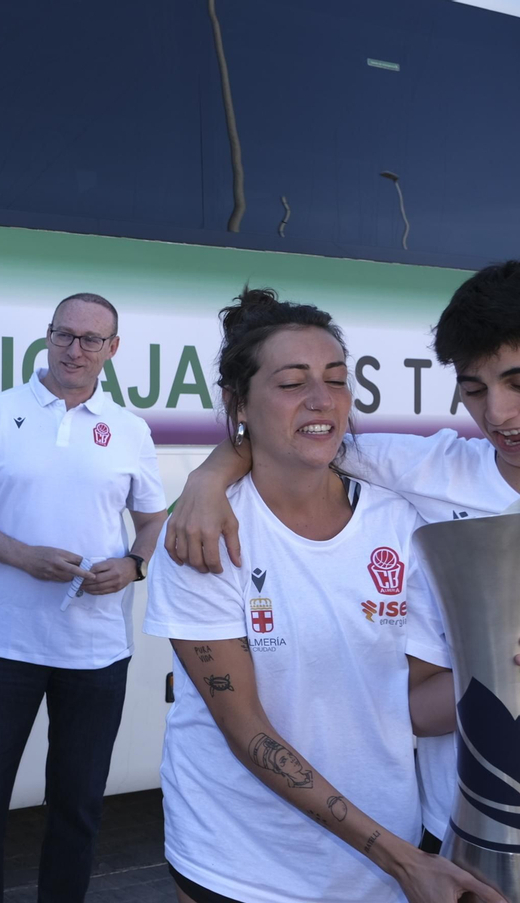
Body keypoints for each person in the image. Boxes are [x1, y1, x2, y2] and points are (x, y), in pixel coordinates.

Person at [143, 288, 502, 903]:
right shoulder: (205, 533)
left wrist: (504, 668)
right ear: (238, 403)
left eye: (336, 380)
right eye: (291, 383)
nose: (321, 400)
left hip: (379, 871)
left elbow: (410, 704)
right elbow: (246, 730)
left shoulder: (401, 523)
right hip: (239, 866)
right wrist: (400, 857)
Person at [0, 293, 168, 903]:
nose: (76, 349)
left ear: (113, 350)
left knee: (76, 808)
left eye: (92, 340)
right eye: (64, 335)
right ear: (47, 337)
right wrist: (24, 557)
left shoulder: (130, 429)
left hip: (96, 652)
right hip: (6, 645)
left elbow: (154, 523)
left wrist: (132, 565)